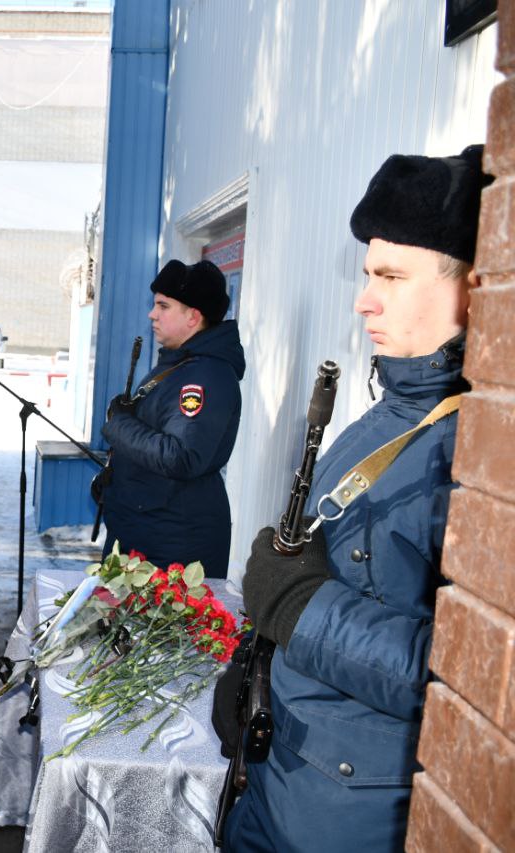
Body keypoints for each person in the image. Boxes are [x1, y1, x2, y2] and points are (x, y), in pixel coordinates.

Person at [223, 146, 488, 852]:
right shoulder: (387, 411)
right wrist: (258, 661)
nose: (363, 297)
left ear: (475, 289)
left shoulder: (482, 454)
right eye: (368, 274)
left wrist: (299, 608)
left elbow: (467, 685)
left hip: (349, 822)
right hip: (282, 782)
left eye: (392, 277)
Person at [98, 259, 245, 578]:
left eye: (163, 306)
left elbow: (181, 457)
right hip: (146, 534)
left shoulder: (206, 375)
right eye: (154, 305)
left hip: (172, 550)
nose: (153, 314)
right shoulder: (179, 365)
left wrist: (119, 424)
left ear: (194, 316)